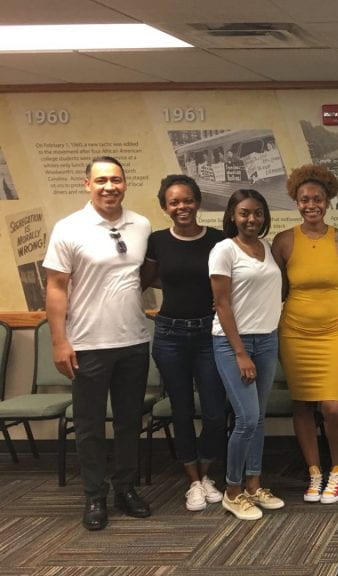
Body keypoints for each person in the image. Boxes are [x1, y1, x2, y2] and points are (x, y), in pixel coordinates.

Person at [44, 156, 153, 531]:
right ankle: (94, 495)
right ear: (86, 184)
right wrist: (59, 340)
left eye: (117, 179)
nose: (110, 186)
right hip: (87, 344)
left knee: (128, 422)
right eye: (102, 180)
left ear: (125, 183)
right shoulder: (68, 228)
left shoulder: (141, 224)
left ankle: (126, 488)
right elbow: (56, 287)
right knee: (89, 426)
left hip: (135, 341)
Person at [141, 175, 226, 512]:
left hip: (209, 334)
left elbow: (230, 279)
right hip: (170, 335)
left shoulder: (219, 239)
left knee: (216, 413)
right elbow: (145, 280)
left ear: (198, 202)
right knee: (181, 410)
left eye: (187, 200)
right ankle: (192, 481)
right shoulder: (157, 241)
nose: (182, 207)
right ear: (165, 207)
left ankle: (206, 474)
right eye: (174, 202)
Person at [271, 165, 338, 505]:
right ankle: (314, 472)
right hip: (294, 333)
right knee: (303, 405)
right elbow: (275, 289)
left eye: (317, 198)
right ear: (296, 201)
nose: (311, 205)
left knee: (333, 407)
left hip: (334, 332)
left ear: (328, 200)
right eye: (304, 199)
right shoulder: (284, 241)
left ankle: (337, 470)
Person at [210, 189, 284, 520]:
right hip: (233, 344)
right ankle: (232, 490)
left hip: (267, 340)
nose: (251, 219)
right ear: (231, 216)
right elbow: (222, 304)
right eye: (244, 213)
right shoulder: (223, 250)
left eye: (257, 213)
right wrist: (240, 353)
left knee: (258, 418)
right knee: (246, 419)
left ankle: (254, 485)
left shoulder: (266, 248)